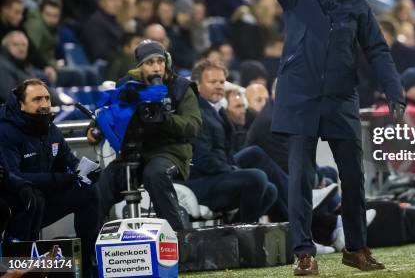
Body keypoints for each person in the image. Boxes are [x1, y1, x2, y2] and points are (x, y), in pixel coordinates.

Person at [257, 0, 405, 274]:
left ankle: (356, 249)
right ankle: (304, 253)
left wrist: (395, 91)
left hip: (340, 98)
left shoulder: (357, 5)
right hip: (300, 97)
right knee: (299, 179)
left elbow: (377, 49)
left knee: (354, 179)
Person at [89, 40, 201, 232]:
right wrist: (94, 129)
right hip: (134, 153)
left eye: (160, 61)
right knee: (101, 187)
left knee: (155, 174)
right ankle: (92, 250)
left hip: (171, 152)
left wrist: (165, 120)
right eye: (150, 63)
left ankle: (179, 241)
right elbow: (110, 111)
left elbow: (193, 125)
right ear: (140, 67)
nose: (157, 68)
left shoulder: (180, 87)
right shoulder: (127, 86)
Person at [0, 79, 99, 277]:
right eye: (37, 99)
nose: (45, 104)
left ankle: (87, 264)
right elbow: (13, 176)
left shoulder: (50, 128)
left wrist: (87, 171)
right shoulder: (5, 131)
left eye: (47, 98)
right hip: (17, 203)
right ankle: (16, 264)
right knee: (31, 196)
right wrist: (60, 179)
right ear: (21, 104)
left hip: (44, 200)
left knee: (87, 193)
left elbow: (69, 162)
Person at [188, 60, 279, 223]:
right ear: (198, 85)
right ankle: (246, 234)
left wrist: (232, 169)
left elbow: (225, 152)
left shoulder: (217, 110)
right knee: (257, 178)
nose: (218, 86)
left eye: (222, 82)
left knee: (270, 190)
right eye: (212, 82)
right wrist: (231, 170)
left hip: (217, 175)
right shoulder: (196, 112)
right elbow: (202, 160)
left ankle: (236, 230)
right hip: (201, 182)